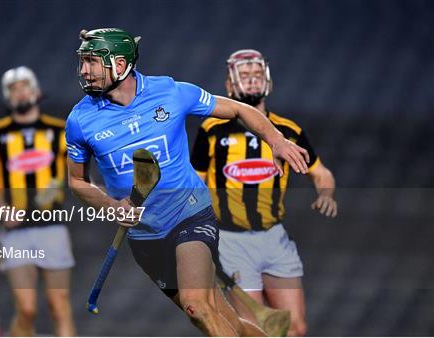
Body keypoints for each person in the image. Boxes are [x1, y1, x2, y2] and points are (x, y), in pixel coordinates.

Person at [66, 28, 310, 337]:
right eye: (82, 61)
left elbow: (238, 109)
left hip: (190, 215)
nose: (84, 70)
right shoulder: (80, 120)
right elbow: (77, 181)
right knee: (221, 319)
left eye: (91, 61)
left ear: (119, 64)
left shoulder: (170, 92)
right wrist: (111, 206)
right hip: (146, 240)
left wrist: (275, 140)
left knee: (197, 304)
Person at [190, 49, 338, 336]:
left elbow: (320, 172)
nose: (253, 81)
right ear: (230, 85)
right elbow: (195, 182)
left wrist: (326, 194)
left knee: (294, 327)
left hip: (274, 237)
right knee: (256, 329)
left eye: (257, 75)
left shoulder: (288, 130)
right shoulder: (212, 130)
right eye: (245, 76)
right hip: (232, 241)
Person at [0, 66, 76, 336]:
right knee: (27, 308)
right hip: (16, 232)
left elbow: (76, 174)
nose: (20, 93)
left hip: (52, 227)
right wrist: (3, 209)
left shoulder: (60, 131)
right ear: (7, 96)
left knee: (60, 305)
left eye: (24, 86)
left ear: (36, 91)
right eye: (13, 89)